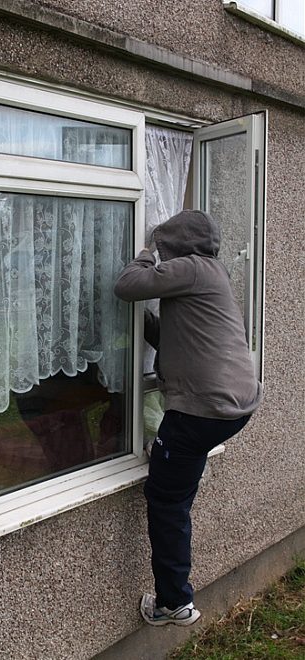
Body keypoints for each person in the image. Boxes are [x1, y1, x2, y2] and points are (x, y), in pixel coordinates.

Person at [114, 209, 263, 627]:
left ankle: (173, 603)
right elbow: (176, 337)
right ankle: (170, 461)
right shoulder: (210, 274)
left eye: (164, 245)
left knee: (165, 501)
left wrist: (144, 253)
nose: (162, 253)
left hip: (205, 410)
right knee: (177, 477)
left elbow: (128, 285)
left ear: (177, 245)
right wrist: (139, 323)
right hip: (233, 406)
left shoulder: (192, 268)